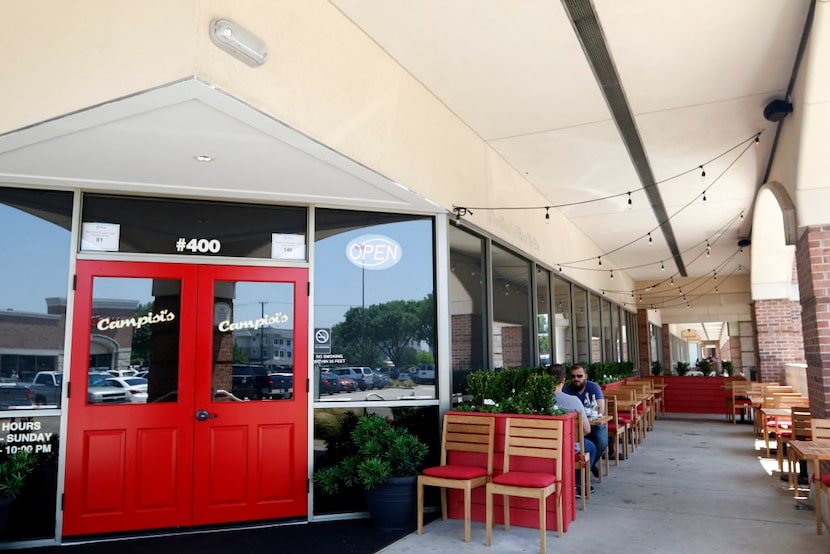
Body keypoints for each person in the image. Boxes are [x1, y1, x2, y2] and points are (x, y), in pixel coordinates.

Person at [549, 364, 596, 497]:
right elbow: (587, 430)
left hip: (546, 444)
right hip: (568, 444)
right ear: (564, 380)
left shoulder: (539, 400)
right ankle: (577, 485)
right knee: (592, 447)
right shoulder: (573, 401)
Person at [562, 364, 608, 478]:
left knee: (601, 442)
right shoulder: (567, 390)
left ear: (585, 376)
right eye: (573, 376)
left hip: (594, 426)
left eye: (579, 376)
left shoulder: (593, 387)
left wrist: (585, 419)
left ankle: (589, 466)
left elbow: (601, 409)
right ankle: (585, 472)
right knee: (586, 445)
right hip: (576, 429)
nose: (576, 379)